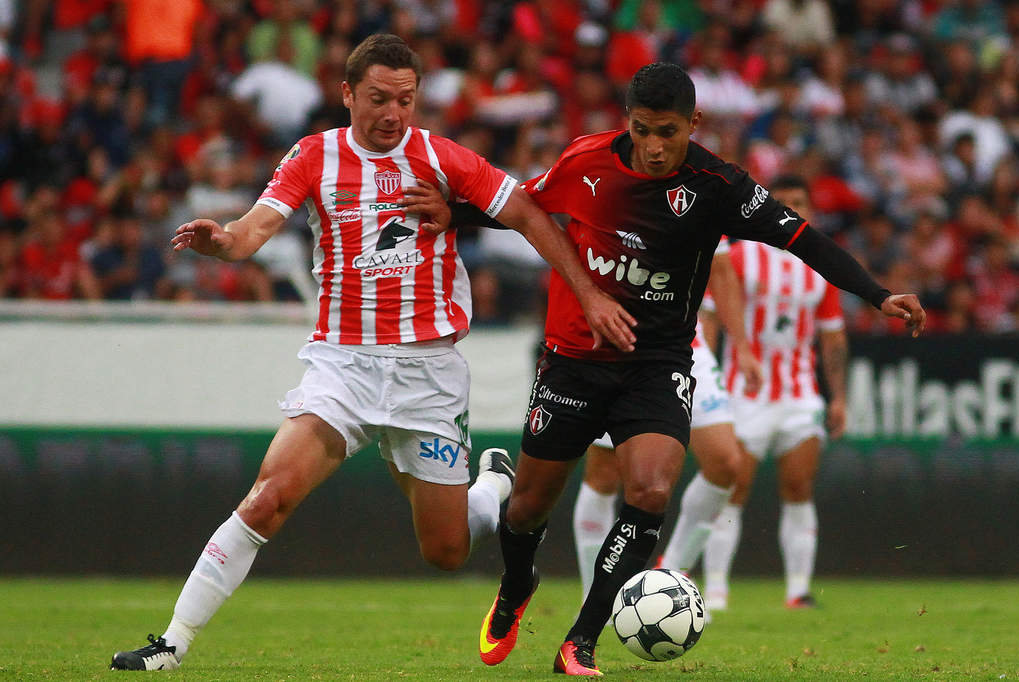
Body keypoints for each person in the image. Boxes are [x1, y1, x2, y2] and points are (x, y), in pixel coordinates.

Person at [109, 34, 635, 672]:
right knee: (267, 499)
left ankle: (490, 488)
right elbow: (252, 230)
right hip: (344, 367)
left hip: (428, 373)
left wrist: (585, 291)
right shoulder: (314, 155)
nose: (393, 113)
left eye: (405, 100)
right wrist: (221, 242)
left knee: (445, 552)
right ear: (348, 93)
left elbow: (526, 211)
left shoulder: (440, 157)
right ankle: (171, 644)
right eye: (379, 98)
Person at [471, 63, 925, 676]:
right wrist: (447, 212)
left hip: (657, 362)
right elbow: (517, 205)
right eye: (642, 130)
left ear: (694, 123)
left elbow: (805, 239)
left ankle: (580, 640)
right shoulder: (586, 161)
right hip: (574, 360)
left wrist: (878, 295)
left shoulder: (718, 186)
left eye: (668, 132)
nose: (654, 147)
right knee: (527, 508)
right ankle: (517, 583)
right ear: (626, 122)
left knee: (651, 492)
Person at [686, 175, 848, 611]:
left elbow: (832, 337)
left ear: (811, 209)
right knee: (731, 488)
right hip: (744, 392)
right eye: (784, 202)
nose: (792, 209)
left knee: (799, 486)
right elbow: (711, 317)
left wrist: (838, 397)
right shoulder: (741, 257)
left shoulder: (820, 264)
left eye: (800, 202)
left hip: (800, 394)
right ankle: (715, 591)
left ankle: (798, 591)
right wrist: (709, 374)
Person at [573, 239, 764, 601]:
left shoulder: (704, 202)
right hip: (620, 337)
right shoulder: (618, 204)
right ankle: (593, 598)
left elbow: (722, 272)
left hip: (685, 342)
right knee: (604, 474)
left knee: (725, 462)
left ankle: (668, 579)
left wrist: (741, 346)